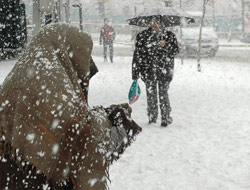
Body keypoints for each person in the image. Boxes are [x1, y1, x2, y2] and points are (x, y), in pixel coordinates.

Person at [131, 17, 179, 127]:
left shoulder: (169, 35)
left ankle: (165, 117)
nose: (155, 24)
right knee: (151, 93)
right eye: (153, 22)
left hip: (164, 69)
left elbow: (175, 50)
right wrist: (135, 72)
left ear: (161, 23)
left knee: (163, 93)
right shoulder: (142, 36)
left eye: (157, 22)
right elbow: (137, 54)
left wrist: (166, 45)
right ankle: (152, 117)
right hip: (148, 69)